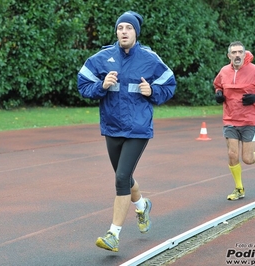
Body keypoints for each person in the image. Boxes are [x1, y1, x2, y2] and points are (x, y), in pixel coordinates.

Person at [77, 11, 176, 252]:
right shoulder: (102, 58)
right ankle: (142, 206)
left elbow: (170, 84)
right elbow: (83, 83)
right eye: (120, 27)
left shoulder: (150, 59)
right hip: (112, 127)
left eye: (128, 28)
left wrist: (152, 91)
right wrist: (101, 86)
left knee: (121, 178)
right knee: (126, 177)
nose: (123, 31)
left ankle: (113, 235)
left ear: (136, 32)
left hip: (138, 128)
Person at [213, 41, 255, 201]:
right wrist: (219, 94)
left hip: (250, 120)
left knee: (247, 159)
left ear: (245, 54)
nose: (237, 55)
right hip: (230, 119)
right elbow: (218, 85)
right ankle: (239, 188)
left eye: (240, 52)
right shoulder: (224, 71)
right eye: (234, 52)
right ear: (229, 56)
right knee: (232, 154)